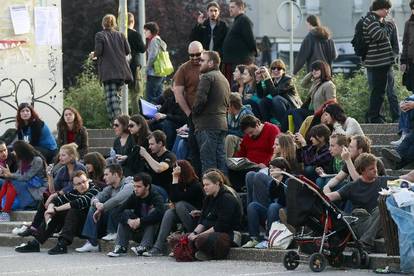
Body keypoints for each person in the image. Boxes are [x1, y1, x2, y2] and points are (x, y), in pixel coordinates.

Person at [15, 170, 99, 255]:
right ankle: (36, 243)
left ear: (88, 180)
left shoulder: (94, 190)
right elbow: (57, 200)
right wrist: (50, 210)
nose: (83, 185)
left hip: (90, 229)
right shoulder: (75, 192)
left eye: (84, 182)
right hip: (75, 227)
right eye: (79, 184)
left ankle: (62, 244)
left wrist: (55, 209)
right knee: (58, 212)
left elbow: (79, 202)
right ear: (74, 186)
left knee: (73, 209)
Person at [325, 153, 396, 252]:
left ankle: (365, 243)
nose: (375, 170)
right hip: (360, 224)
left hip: (379, 226)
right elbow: (332, 196)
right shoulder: (352, 186)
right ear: (362, 170)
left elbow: (406, 178)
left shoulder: (384, 181)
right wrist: (315, 193)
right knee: (348, 213)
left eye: (375, 167)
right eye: (371, 168)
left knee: (382, 207)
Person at [17, 143, 86, 237]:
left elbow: (73, 186)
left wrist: (54, 195)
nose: (60, 158)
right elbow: (53, 190)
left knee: (51, 199)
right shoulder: (62, 170)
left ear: (71, 156)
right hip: (64, 198)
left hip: (78, 196)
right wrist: (49, 176)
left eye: (63, 155)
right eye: (60, 155)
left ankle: (44, 229)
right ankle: (34, 227)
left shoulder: (80, 167)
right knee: (45, 199)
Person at [143, 160, 204, 257]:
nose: (173, 173)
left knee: (180, 204)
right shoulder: (178, 183)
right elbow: (172, 197)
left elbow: (176, 199)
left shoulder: (195, 185)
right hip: (184, 214)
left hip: (197, 219)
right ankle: (158, 247)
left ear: (182, 171)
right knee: (169, 212)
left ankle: (188, 234)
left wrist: (175, 178)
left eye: (174, 170)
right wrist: (174, 180)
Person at [76, 164, 134, 252]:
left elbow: (117, 199)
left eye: (107, 174)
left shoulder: (129, 184)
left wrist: (102, 207)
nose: (104, 178)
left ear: (115, 175)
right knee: (93, 208)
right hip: (112, 217)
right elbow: (95, 198)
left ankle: (113, 232)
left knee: (116, 206)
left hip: (129, 217)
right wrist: (97, 203)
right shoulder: (110, 188)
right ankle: (92, 243)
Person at [107, 172, 165, 257]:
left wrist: (140, 221)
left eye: (139, 186)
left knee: (153, 213)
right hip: (138, 230)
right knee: (126, 213)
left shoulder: (155, 196)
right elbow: (116, 212)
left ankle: (145, 247)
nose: (135, 189)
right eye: (134, 186)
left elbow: (160, 213)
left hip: (153, 233)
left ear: (147, 186)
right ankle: (121, 247)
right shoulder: (135, 196)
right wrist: (128, 221)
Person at [188, 170, 242, 261]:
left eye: (207, 185)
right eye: (204, 185)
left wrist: (199, 236)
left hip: (227, 233)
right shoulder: (208, 198)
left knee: (201, 240)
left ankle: (208, 254)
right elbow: (202, 219)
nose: (205, 188)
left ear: (217, 184)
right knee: (180, 238)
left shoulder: (227, 198)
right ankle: (199, 252)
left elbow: (221, 225)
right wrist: (194, 233)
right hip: (209, 231)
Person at [193, 51, 230, 174]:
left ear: (211, 63)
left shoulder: (207, 77)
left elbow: (200, 101)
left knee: (208, 164)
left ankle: (210, 192)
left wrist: (194, 114)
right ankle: (225, 189)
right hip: (221, 124)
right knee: (221, 162)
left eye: (202, 60)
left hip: (207, 125)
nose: (199, 62)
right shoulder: (223, 79)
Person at [92, 14, 132, 123]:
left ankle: (118, 121)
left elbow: (99, 51)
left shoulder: (100, 35)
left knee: (110, 97)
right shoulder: (121, 35)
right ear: (114, 23)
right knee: (115, 96)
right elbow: (127, 51)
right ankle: (116, 122)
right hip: (121, 71)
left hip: (108, 72)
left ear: (103, 23)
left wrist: (93, 54)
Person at [242, 157, 291, 248]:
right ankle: (254, 238)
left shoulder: (288, 181)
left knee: (273, 206)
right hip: (273, 213)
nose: (271, 170)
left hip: (285, 214)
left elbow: (286, 202)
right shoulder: (272, 183)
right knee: (253, 206)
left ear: (284, 170)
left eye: (275, 168)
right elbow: (270, 200)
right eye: (270, 167)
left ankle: (269, 238)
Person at [363, 0, 398, 123]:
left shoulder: (377, 20)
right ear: (381, 8)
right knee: (378, 92)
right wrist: (390, 25)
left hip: (382, 62)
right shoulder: (370, 20)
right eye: (387, 9)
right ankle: (374, 117)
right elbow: (380, 35)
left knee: (380, 91)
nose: (388, 12)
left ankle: (374, 116)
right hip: (377, 62)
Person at [173, 41, 204, 176]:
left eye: (198, 54)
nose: (195, 58)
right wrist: (188, 112)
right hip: (193, 114)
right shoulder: (184, 69)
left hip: (209, 115)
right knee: (194, 148)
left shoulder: (208, 64)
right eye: (191, 55)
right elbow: (178, 93)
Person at [229, 115, 280, 191]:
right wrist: (236, 161)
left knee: (254, 172)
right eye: (247, 134)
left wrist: (266, 163)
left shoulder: (272, 130)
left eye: (251, 132)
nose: (249, 136)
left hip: (262, 166)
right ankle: (240, 190)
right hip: (248, 164)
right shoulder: (248, 136)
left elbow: (275, 152)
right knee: (231, 169)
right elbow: (242, 152)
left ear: (257, 125)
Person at [0, 141, 46, 221]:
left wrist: (10, 175)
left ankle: (5, 213)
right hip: (26, 188)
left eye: (15, 151)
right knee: (8, 180)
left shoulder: (37, 160)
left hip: (35, 191)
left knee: (12, 181)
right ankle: (4, 211)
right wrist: (8, 175)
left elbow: (26, 177)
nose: (13, 153)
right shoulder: (22, 161)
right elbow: (18, 175)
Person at [289, 60, 336, 131]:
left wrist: (325, 118)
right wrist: (312, 73)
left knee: (296, 112)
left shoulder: (328, 85)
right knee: (290, 112)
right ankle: (285, 133)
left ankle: (301, 132)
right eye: (313, 69)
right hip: (311, 111)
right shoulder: (315, 83)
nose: (314, 71)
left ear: (323, 70)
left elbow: (332, 104)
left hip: (319, 114)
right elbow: (303, 84)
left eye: (317, 69)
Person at [256, 59, 302, 128]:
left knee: (276, 98)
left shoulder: (288, 80)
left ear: (283, 71)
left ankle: (284, 126)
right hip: (280, 107)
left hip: (292, 107)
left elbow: (274, 93)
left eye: (279, 68)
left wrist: (268, 78)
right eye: (273, 68)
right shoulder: (272, 81)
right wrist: (258, 81)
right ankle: (268, 126)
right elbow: (261, 95)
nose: (275, 70)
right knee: (263, 101)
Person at [222, 0, 257, 84]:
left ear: (241, 8)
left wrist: (255, 53)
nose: (230, 9)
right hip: (233, 62)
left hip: (240, 62)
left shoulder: (244, 20)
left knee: (238, 87)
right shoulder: (237, 20)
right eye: (229, 7)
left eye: (232, 7)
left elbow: (251, 40)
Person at [139, 130, 176, 196]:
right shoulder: (153, 155)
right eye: (149, 144)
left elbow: (159, 169)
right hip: (153, 187)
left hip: (164, 191)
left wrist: (145, 154)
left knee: (142, 187)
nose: (149, 147)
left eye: (152, 144)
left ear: (160, 143)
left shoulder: (170, 156)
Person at [127, 12, 146, 114]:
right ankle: (137, 117)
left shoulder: (119, 34)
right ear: (132, 22)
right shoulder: (135, 34)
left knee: (123, 94)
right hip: (134, 66)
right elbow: (143, 49)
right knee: (136, 93)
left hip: (122, 67)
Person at [144, 21, 167, 103]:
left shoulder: (154, 41)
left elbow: (152, 57)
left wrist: (146, 69)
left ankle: (151, 116)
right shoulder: (159, 40)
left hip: (154, 73)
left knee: (150, 98)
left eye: (145, 30)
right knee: (159, 97)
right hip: (161, 73)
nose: (144, 32)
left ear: (150, 31)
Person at [225, 92, 253, 157]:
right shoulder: (230, 115)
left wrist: (226, 131)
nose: (226, 108)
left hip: (247, 141)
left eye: (227, 105)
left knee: (230, 138)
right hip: (238, 140)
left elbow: (243, 133)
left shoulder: (246, 114)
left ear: (232, 105)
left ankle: (226, 163)